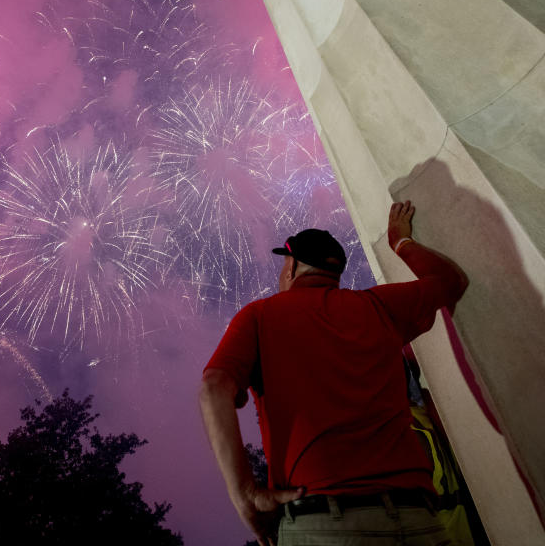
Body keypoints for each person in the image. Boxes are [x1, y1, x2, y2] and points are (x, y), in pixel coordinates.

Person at [199, 201, 469, 546]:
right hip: (417, 518)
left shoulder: (259, 316)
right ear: (335, 271)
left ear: (292, 265)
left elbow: (214, 386)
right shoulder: (380, 306)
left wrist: (245, 493)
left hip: (321, 521)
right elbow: (450, 281)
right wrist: (401, 241)